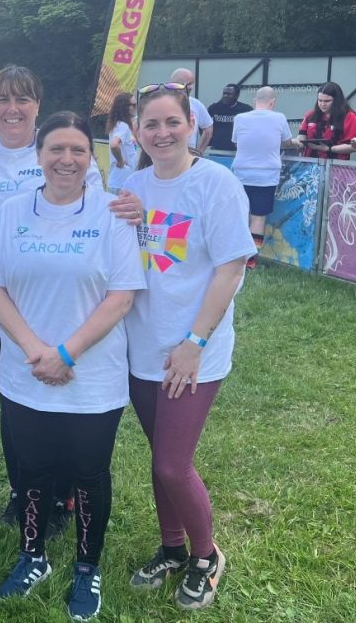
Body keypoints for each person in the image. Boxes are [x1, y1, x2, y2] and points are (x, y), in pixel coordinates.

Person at [0, 112, 144, 621]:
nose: (66, 160)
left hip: (93, 374)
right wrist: (35, 351)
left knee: (90, 473)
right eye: (56, 150)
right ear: (39, 155)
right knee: (32, 470)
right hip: (26, 371)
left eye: (77, 151)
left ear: (89, 159)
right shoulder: (10, 211)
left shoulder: (113, 214)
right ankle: (34, 556)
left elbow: (122, 297)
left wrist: (65, 354)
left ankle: (87, 568)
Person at [0, 65, 140, 533]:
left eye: (23, 99)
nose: (12, 108)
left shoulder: (68, 155)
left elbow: (109, 217)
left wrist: (145, 212)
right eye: (3, 99)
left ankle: (60, 497)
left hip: (66, 313)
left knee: (64, 406)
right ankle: (21, 491)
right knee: (17, 404)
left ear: (38, 107)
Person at [123, 82, 255, 612]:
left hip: (193, 349)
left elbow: (229, 269)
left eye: (171, 122)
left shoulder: (216, 184)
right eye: (150, 124)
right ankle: (172, 547)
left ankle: (206, 555)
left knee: (173, 465)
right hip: (142, 347)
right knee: (159, 459)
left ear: (193, 125)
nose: (161, 133)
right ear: (137, 131)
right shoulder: (133, 186)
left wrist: (194, 342)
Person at [232, 86, 302, 267]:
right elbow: (286, 142)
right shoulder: (279, 118)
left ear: (255, 100)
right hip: (267, 175)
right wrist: (295, 142)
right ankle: (251, 260)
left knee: (241, 215)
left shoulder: (240, 118)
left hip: (241, 173)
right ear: (273, 102)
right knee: (258, 217)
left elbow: (236, 141)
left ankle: (235, 256)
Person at [297, 82, 356, 160]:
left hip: (337, 166)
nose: (322, 104)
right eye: (320, 100)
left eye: (327, 101)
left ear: (336, 101)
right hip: (310, 164)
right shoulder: (310, 115)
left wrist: (329, 149)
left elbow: (354, 146)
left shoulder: (349, 116)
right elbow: (301, 138)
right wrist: (295, 143)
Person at [171, 68, 213, 152]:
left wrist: (198, 152)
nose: (187, 87)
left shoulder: (196, 104)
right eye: (182, 83)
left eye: (190, 83)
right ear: (172, 84)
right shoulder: (161, 103)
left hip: (188, 156)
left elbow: (208, 129)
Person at [106, 91, 139, 193]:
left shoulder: (121, 125)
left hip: (122, 181)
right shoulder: (122, 126)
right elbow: (114, 145)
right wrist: (120, 161)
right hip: (121, 182)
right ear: (124, 107)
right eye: (133, 105)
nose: (135, 108)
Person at [206, 85, 252, 152]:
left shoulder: (245, 109)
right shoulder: (214, 108)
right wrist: (209, 140)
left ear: (237, 96)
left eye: (229, 94)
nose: (225, 96)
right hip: (216, 148)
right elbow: (204, 125)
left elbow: (252, 127)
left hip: (236, 149)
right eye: (224, 93)